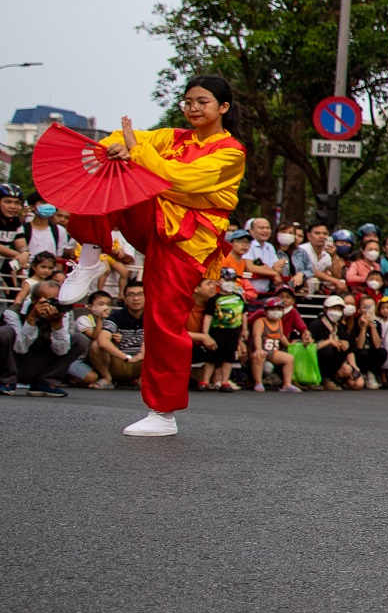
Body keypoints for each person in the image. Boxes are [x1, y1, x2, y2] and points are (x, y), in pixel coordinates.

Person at [54, 76, 247, 436]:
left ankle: (162, 413)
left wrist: (135, 151)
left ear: (223, 107)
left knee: (162, 319)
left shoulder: (231, 151)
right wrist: (118, 146)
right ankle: (91, 253)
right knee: (105, 163)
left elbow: (183, 180)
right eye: (187, 101)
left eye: (201, 102)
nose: (192, 108)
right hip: (153, 218)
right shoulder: (172, 136)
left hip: (188, 239)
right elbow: (121, 139)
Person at [0, 279, 85, 395]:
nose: (55, 306)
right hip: (16, 361)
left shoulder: (63, 313)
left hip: (42, 362)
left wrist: (57, 325)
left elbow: (62, 351)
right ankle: (6, 381)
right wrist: (31, 319)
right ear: (34, 301)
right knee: (4, 332)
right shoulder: (13, 312)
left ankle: (46, 382)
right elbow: (20, 348)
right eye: (51, 301)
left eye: (58, 301)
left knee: (80, 340)